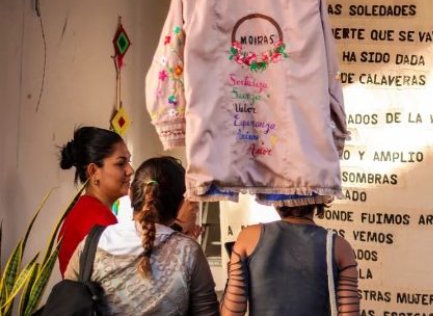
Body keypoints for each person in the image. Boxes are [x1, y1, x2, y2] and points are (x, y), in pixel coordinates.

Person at [64, 156, 219, 315]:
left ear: (131, 194)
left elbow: (66, 302)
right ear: (181, 203)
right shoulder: (188, 251)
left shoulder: (93, 242)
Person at [219, 195, 360, 315]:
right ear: (319, 199)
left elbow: (231, 312)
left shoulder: (248, 238)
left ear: (275, 198)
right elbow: (350, 313)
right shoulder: (340, 247)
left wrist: (232, 273)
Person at [58, 126, 133, 275]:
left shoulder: (84, 209)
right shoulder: (98, 219)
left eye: (128, 162)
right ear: (93, 172)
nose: (130, 170)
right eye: (120, 163)